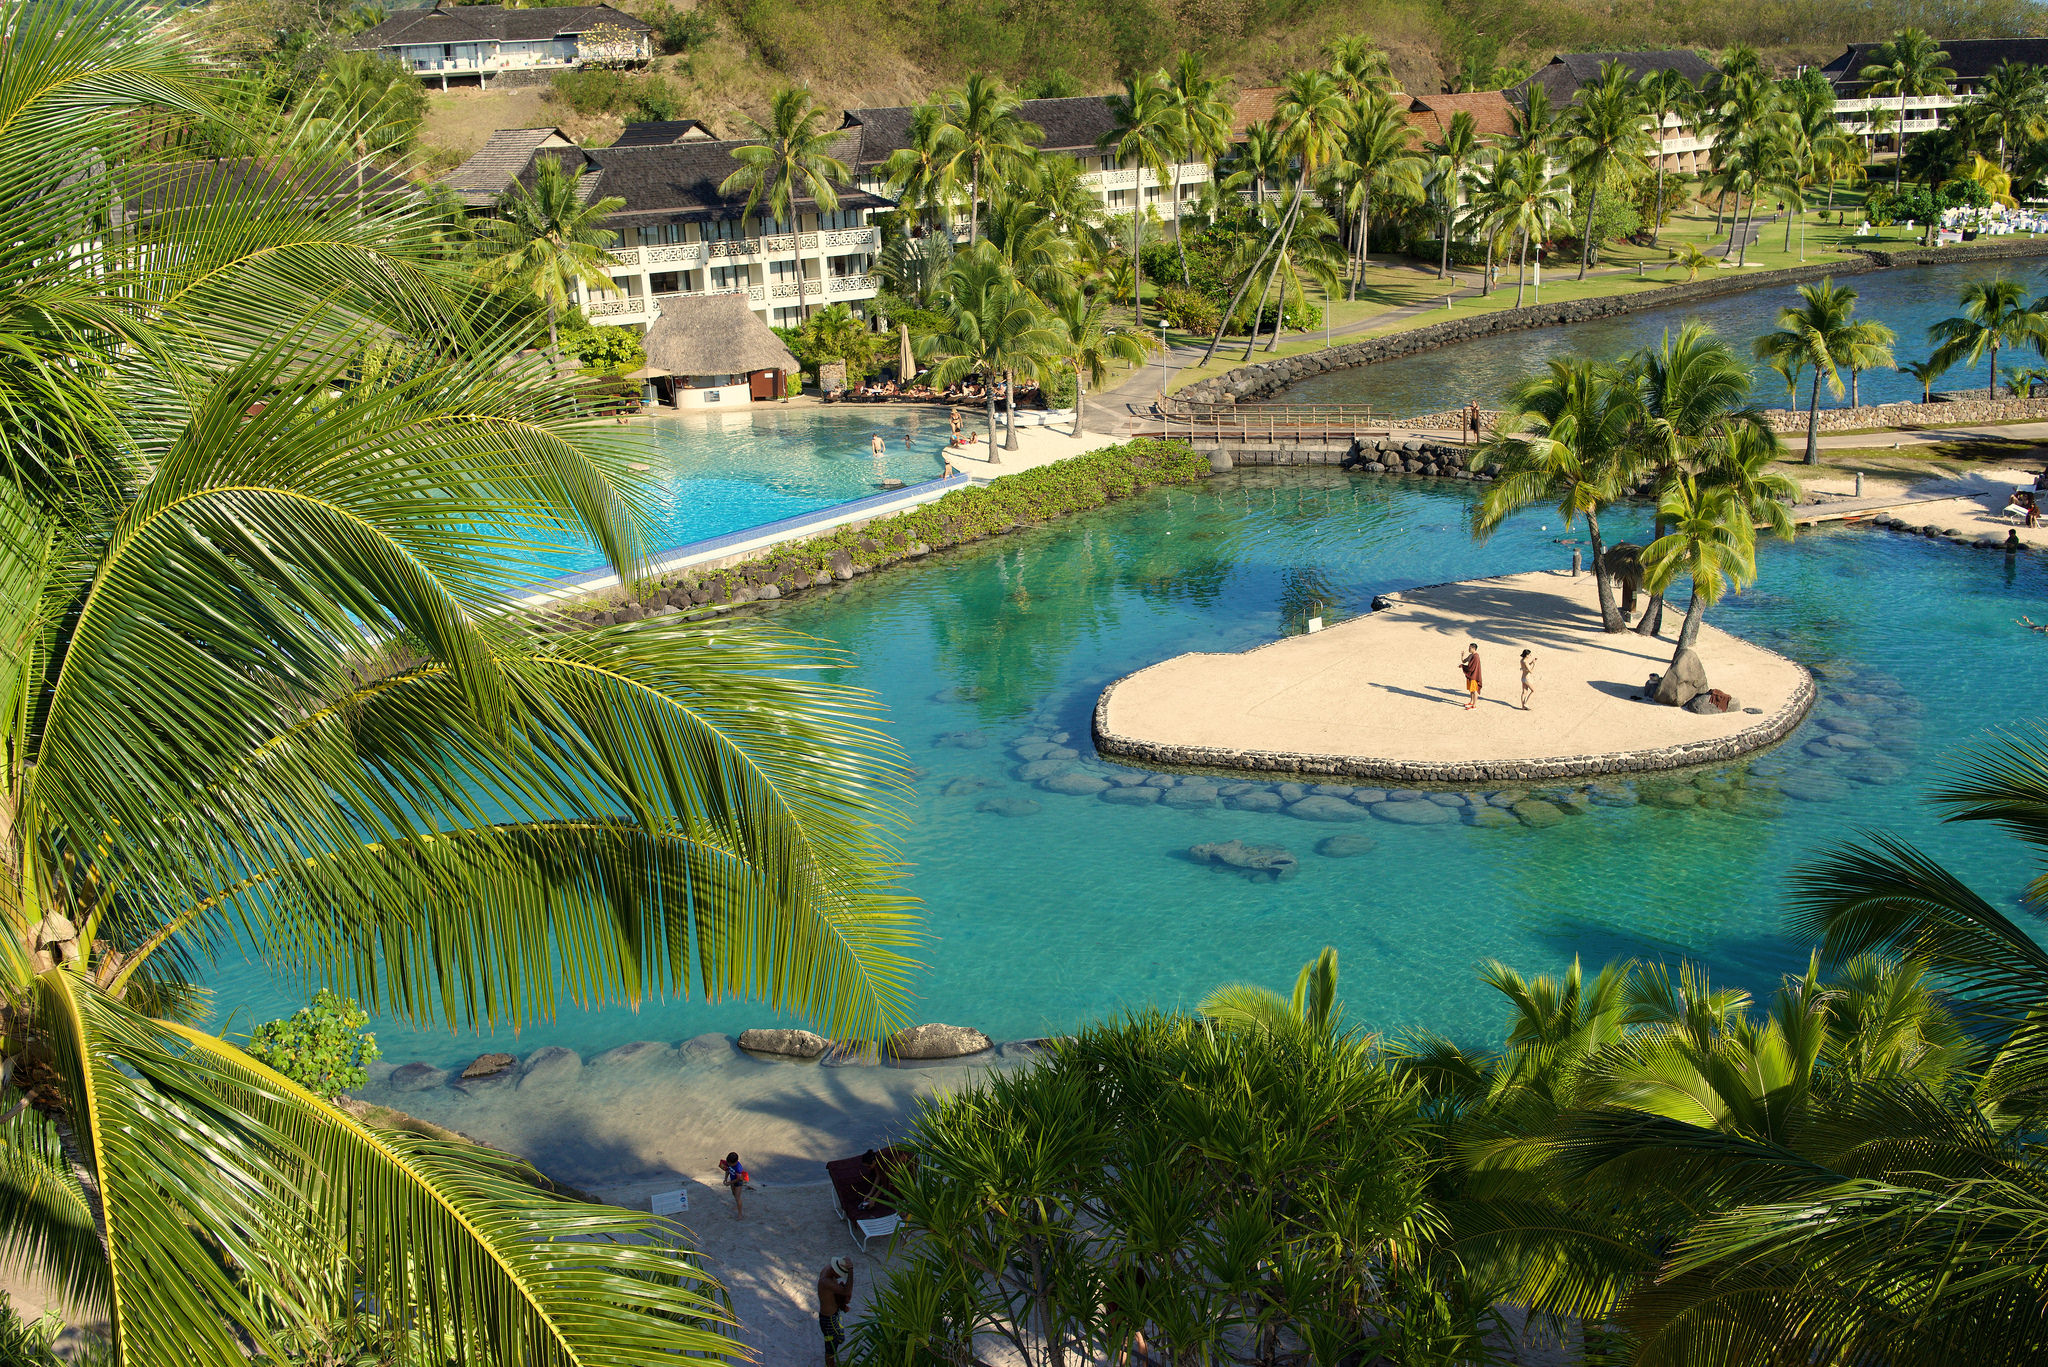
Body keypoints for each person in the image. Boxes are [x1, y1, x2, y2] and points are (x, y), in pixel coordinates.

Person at [817, 1256, 854, 1366]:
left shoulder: (828, 1269)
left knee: (836, 1339)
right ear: (835, 1271)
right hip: (828, 1320)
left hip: (833, 1315)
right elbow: (847, 1291)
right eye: (840, 1275)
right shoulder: (825, 1281)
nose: (840, 1278)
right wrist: (851, 1270)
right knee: (831, 1347)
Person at [718, 1151, 748, 1218]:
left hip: (738, 1182)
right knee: (734, 1193)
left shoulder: (738, 1168)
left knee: (737, 1197)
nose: (728, 1164)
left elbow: (738, 1179)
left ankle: (740, 1214)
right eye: (728, 1163)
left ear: (735, 1162)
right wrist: (725, 1178)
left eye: (730, 1163)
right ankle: (737, 1205)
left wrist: (729, 1183)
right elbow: (728, 1170)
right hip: (732, 1180)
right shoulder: (729, 1163)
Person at [1459, 643, 1482, 710]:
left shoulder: (1476, 656)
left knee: (1475, 690)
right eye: (1469, 647)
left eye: (1470, 648)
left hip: (1474, 675)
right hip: (1470, 675)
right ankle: (1471, 702)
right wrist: (1462, 656)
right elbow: (1463, 661)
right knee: (1471, 689)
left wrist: (1463, 666)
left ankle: (1474, 705)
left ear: (1474, 648)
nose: (1469, 649)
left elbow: (1471, 667)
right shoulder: (1470, 655)